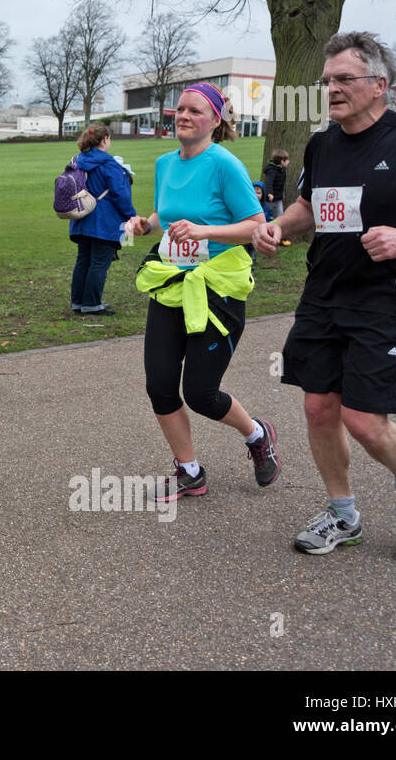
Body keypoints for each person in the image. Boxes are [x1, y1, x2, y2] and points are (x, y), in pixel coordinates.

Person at [254, 31, 396, 557]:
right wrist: (276, 227)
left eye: (343, 79)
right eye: (326, 80)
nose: (331, 88)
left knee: (363, 419)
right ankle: (343, 515)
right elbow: (309, 208)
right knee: (317, 410)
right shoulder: (322, 143)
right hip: (323, 295)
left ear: (379, 85)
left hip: (386, 300)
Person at [124, 82, 278, 501]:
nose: (184, 116)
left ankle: (258, 434)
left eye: (195, 110)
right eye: (180, 110)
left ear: (215, 119)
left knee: (201, 394)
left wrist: (204, 230)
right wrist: (147, 224)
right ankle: (189, 471)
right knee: (159, 385)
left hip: (217, 289)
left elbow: (255, 225)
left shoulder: (224, 165)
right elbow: (167, 212)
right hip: (172, 283)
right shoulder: (163, 164)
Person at [69, 124, 137, 315]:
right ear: (104, 140)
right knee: (99, 262)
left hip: (80, 218)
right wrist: (131, 215)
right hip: (104, 220)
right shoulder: (110, 164)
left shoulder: (77, 161)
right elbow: (120, 194)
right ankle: (91, 304)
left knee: (83, 261)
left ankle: (78, 301)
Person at [262, 148, 290, 219]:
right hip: (270, 198)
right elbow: (268, 183)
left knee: (280, 214)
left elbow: (281, 184)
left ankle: (279, 227)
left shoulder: (282, 170)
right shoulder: (272, 171)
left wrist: (281, 194)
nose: (288, 161)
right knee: (269, 214)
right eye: (287, 160)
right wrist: (270, 193)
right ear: (282, 161)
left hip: (278, 198)